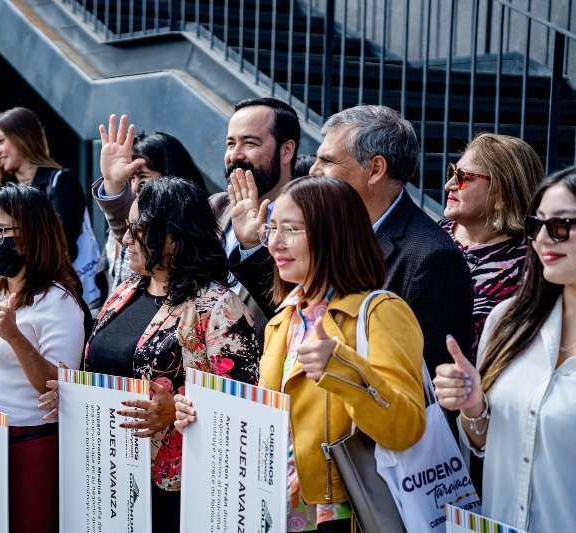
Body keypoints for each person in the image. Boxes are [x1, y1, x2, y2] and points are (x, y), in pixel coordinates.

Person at [176, 176, 427, 532]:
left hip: (348, 515)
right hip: (281, 511)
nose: (274, 242)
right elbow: (265, 425)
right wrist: (205, 415)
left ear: (332, 235)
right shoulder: (284, 320)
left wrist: (342, 367)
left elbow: (406, 427)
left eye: (291, 229)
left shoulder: (380, 311)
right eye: (272, 228)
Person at [40, 177, 261, 533]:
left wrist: (176, 408)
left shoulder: (218, 307)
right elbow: (109, 368)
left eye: (137, 229)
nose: (126, 239)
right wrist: (73, 393)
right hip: (107, 475)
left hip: (175, 489)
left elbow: (240, 408)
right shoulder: (125, 289)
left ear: (173, 236)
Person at [236, 104, 473, 374]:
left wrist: (346, 371)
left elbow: (428, 381)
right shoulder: (330, 229)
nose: (313, 169)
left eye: (327, 161)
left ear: (375, 169)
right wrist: (253, 246)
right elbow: (289, 307)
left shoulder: (431, 258)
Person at [433, 166, 576, 532]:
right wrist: (473, 406)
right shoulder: (508, 321)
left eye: (561, 226)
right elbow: (483, 442)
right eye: (536, 225)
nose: (543, 239)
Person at [0, 183, 85, 533]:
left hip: (30, 445)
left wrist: (14, 337)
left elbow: (57, 386)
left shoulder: (58, 301)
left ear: (31, 234)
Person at [94, 98, 301, 333]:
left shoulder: (311, 218)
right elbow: (148, 247)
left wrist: (252, 248)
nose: (235, 155)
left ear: (286, 151)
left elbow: (292, 308)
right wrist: (114, 186)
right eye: (231, 144)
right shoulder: (217, 206)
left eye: (250, 143)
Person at [440, 133, 543, 357]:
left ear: (502, 191)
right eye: (452, 172)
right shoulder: (430, 236)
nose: (449, 185)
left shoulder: (533, 263)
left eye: (462, 176)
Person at [0, 107, 100, 306]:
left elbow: (62, 245)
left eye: (1, 140)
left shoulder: (59, 181)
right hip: (21, 294)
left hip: (62, 295)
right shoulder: (5, 190)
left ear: (23, 137)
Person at [92, 126, 208, 291]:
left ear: (171, 176)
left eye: (143, 177)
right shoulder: (125, 228)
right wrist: (112, 183)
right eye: (130, 178)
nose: (134, 187)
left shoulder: (194, 226)